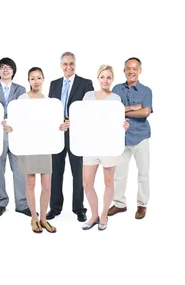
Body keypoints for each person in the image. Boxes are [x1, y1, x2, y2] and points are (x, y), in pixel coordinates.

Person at [4, 67, 67, 233]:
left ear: (43, 79)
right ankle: (34, 218)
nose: (36, 81)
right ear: (29, 81)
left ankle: (44, 219)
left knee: (47, 186)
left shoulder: (49, 101)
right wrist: (9, 127)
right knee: (30, 184)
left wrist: (62, 126)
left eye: (39, 78)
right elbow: (16, 121)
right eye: (33, 78)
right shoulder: (23, 99)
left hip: (44, 145)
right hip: (28, 146)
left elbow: (53, 124)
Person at [80, 65, 130, 231]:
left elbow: (117, 121)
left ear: (112, 79)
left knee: (108, 181)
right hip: (91, 144)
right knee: (87, 183)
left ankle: (104, 215)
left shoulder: (116, 99)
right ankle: (94, 215)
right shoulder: (88, 96)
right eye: (102, 77)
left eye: (108, 77)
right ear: (98, 78)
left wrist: (123, 126)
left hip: (109, 145)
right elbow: (83, 117)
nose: (105, 80)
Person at [47, 52, 94, 222]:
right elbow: (51, 108)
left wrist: (74, 121)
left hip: (77, 134)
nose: (69, 67)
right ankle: (55, 207)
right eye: (65, 64)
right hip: (58, 133)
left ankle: (79, 208)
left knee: (78, 173)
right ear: (61, 65)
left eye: (72, 63)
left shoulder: (85, 83)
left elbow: (89, 109)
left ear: (76, 64)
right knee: (56, 172)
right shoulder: (54, 84)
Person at [108, 57, 153, 220]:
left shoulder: (146, 91)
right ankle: (120, 204)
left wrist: (122, 111)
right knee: (119, 173)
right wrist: (134, 107)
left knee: (143, 173)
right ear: (124, 71)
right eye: (128, 68)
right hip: (121, 138)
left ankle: (142, 204)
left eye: (135, 68)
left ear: (139, 71)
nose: (131, 71)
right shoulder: (117, 89)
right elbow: (112, 111)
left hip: (141, 136)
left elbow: (146, 112)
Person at [0, 57, 29, 217]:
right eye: (2, 67)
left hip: (16, 133)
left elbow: (23, 111)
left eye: (8, 67)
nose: (5, 70)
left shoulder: (21, 89)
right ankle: (0, 203)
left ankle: (22, 203)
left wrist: (11, 121)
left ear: (13, 70)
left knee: (19, 170)